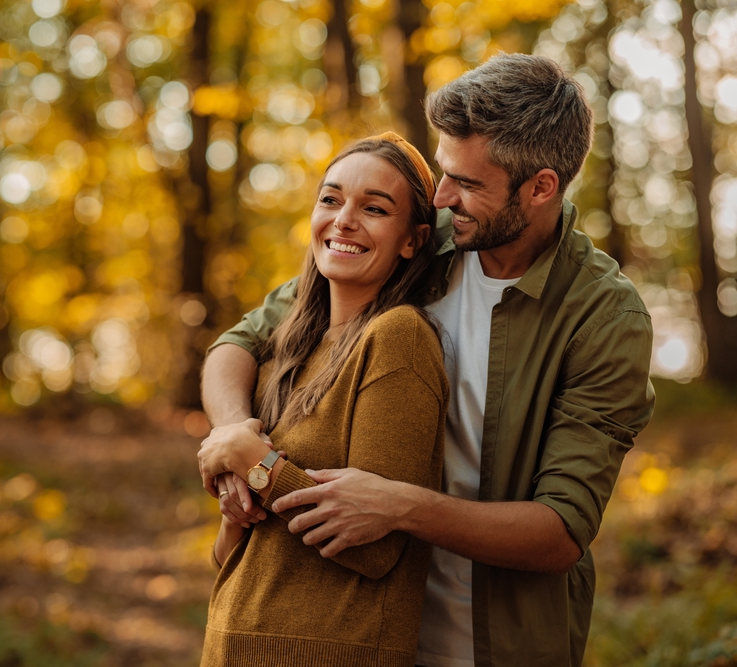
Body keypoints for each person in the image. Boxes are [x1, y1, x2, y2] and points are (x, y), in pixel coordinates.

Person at [200, 53, 655, 667]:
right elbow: (242, 342)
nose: (441, 197)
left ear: (541, 187)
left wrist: (398, 506)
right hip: (365, 629)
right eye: (444, 173)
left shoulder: (603, 317)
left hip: (496, 643)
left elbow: (561, 531)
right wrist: (233, 431)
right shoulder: (422, 243)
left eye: (467, 184)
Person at [197, 133, 449, 666]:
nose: (344, 219)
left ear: (412, 240)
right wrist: (235, 504)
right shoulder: (285, 351)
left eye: (374, 208)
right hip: (232, 649)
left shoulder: (397, 338)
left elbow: (377, 548)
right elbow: (231, 558)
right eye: (331, 199)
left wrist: (255, 465)